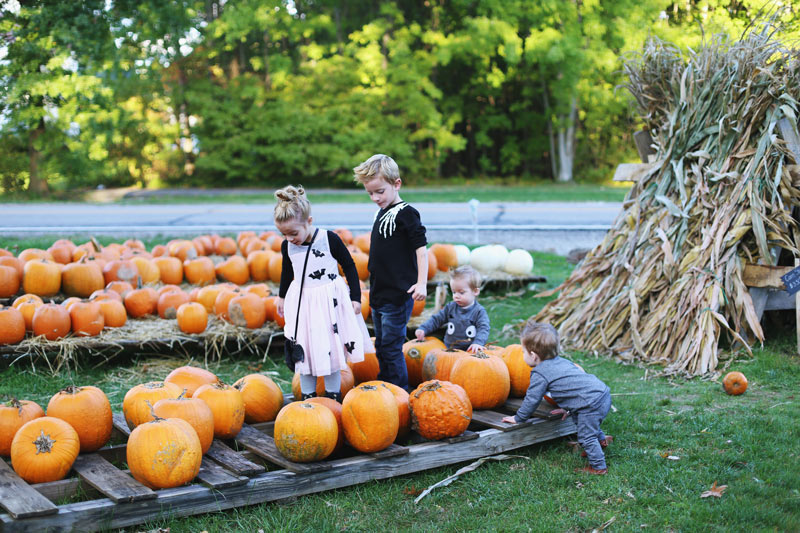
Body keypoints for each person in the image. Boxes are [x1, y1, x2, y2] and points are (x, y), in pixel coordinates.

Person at [274, 185, 373, 402]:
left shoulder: (329, 239)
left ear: (309, 222)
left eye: (294, 233)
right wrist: (281, 296)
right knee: (305, 349)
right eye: (284, 234)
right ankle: (308, 399)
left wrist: (356, 297)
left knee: (330, 348)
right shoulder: (287, 246)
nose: (289, 239)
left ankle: (333, 397)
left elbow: (349, 265)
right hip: (303, 303)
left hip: (329, 302)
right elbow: (287, 271)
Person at [353, 154, 427, 391]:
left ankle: (399, 393)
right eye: (370, 193)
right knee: (381, 346)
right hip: (378, 293)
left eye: (380, 192)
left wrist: (422, 283)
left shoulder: (407, 213)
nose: (375, 198)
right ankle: (386, 387)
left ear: (397, 184)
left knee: (392, 347)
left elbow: (421, 250)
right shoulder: (380, 212)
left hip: (398, 294)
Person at [501, 321, 613, 475]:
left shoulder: (540, 373)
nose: (522, 355)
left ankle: (598, 467)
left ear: (533, 356)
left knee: (586, 434)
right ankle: (599, 442)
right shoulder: (562, 361)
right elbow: (574, 386)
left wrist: (519, 418)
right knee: (586, 423)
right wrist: (569, 407)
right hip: (601, 394)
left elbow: (532, 399)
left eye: (523, 352)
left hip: (590, 403)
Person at [414, 265, 490, 352]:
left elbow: (483, 328)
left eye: (461, 292)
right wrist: (424, 328)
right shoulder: (451, 307)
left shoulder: (479, 312)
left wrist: (478, 343)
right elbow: (437, 319)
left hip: (469, 351)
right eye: (454, 292)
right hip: (449, 350)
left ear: (475, 291)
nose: (456, 296)